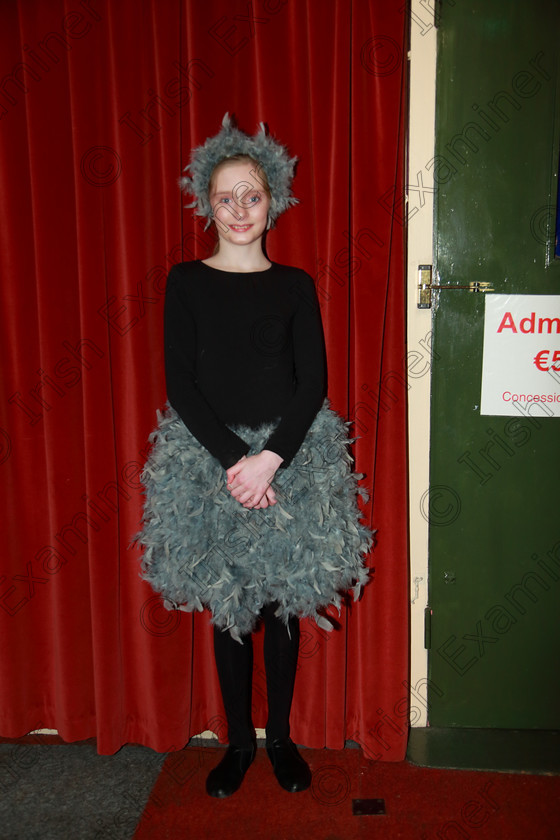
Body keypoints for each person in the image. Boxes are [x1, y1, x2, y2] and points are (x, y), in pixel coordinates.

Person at [135, 114, 372, 799]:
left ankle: (282, 741)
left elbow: (314, 383)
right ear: (205, 204)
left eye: (253, 195)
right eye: (226, 197)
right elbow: (181, 384)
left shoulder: (295, 285)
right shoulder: (185, 281)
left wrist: (271, 459)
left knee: (281, 604)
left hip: (292, 460)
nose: (240, 209)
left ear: (276, 201)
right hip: (209, 464)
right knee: (231, 603)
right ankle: (238, 743)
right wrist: (237, 461)